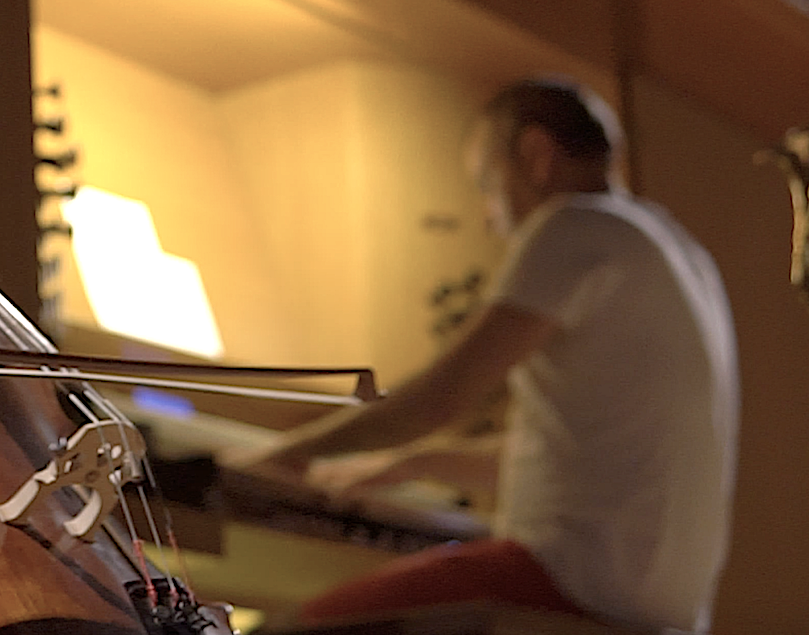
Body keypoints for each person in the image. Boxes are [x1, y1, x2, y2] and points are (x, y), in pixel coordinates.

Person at [235, 79, 739, 634]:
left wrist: (285, 455)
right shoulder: (678, 252)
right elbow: (583, 456)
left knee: (278, 631)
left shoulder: (575, 224)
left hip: (565, 583)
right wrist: (417, 462)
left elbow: (441, 396)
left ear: (535, 155)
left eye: (486, 183)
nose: (487, 216)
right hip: (653, 608)